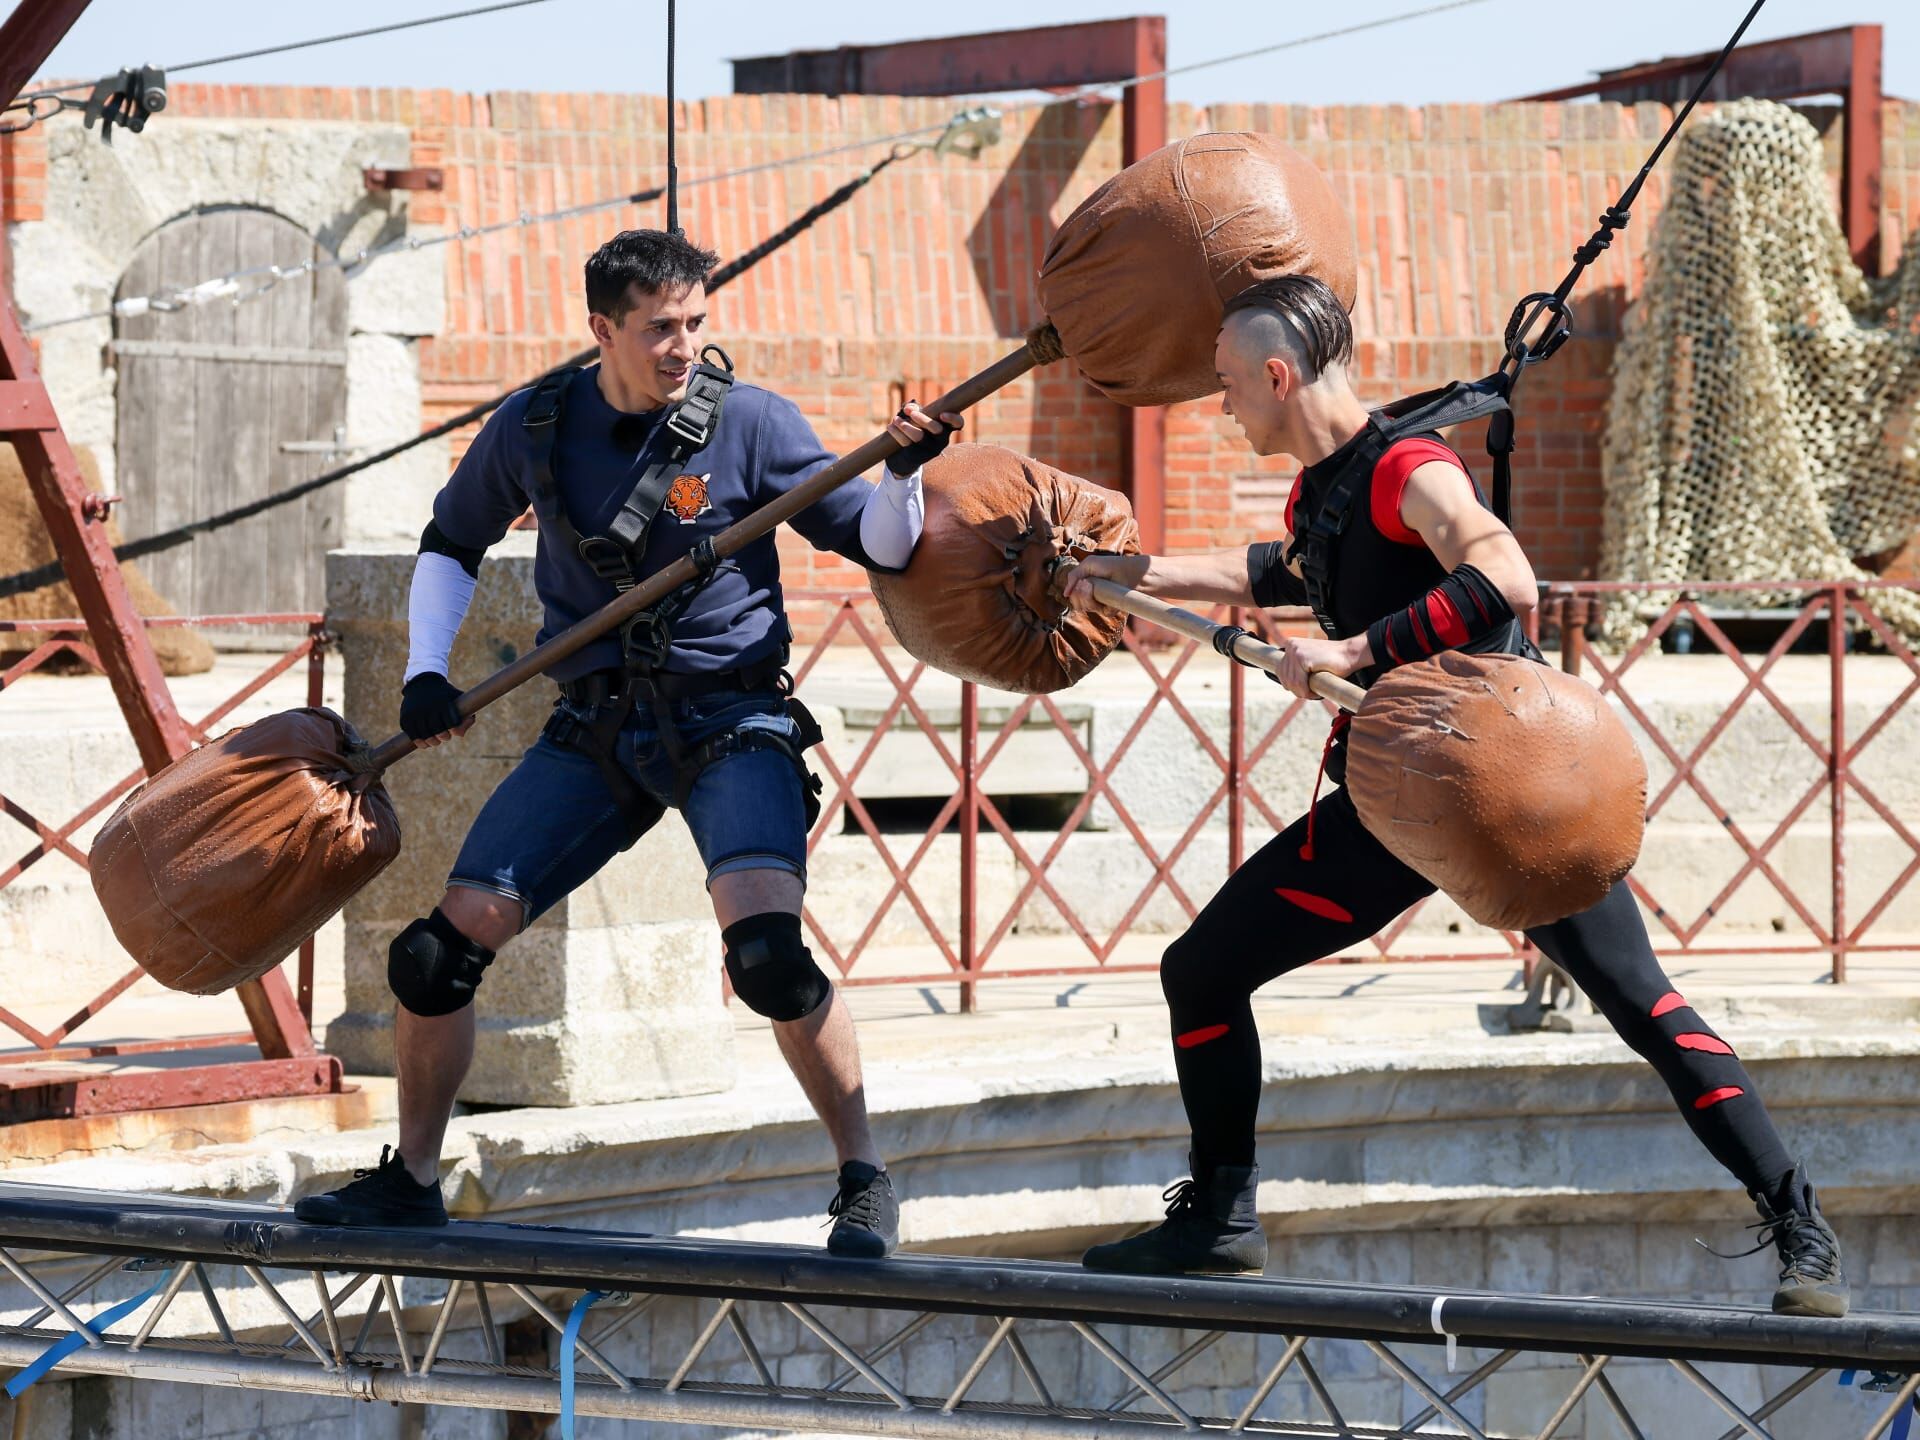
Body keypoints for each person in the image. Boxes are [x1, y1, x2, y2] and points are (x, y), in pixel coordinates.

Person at [1060, 274, 1847, 1317]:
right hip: (1398, 808)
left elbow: (1505, 577)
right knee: (1200, 971)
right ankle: (1220, 1219)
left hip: (1505, 796)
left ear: (1278, 375)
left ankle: (1800, 1226)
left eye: (1226, 386)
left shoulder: (1408, 467)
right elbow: (1287, 569)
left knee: (1641, 1002)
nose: (1221, 407)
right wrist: (1139, 571)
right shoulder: (1324, 487)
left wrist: (1351, 651)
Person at [295, 228, 960, 1258]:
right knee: (434, 957)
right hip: (596, 728)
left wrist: (907, 475)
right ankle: (413, 1181)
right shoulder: (537, 423)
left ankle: (863, 1177)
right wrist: (427, 671)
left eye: (696, 321)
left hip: (732, 721)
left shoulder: (753, 425)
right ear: (602, 329)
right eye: (659, 328)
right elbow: (450, 542)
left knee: (770, 959)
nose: (683, 344)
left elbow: (883, 542)